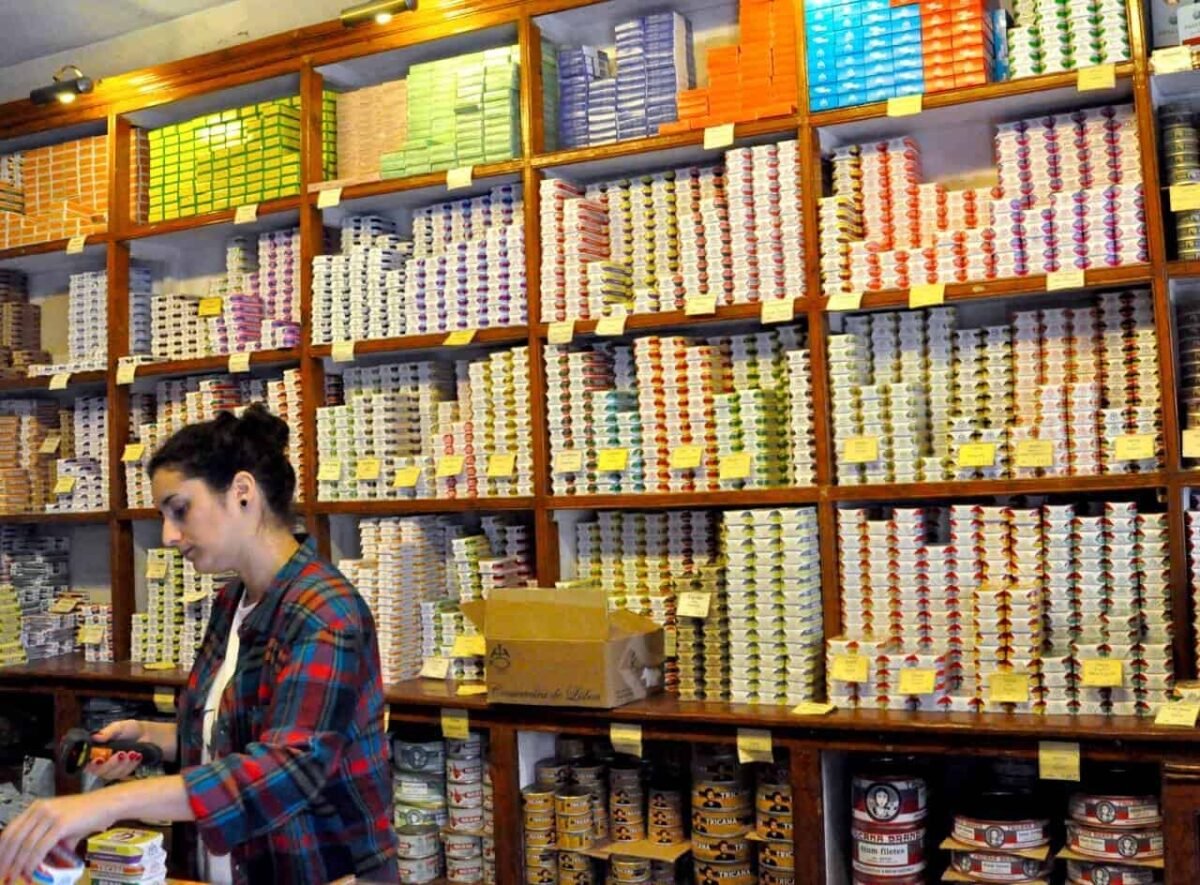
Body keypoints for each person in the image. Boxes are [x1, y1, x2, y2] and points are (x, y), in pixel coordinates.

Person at [0, 405, 399, 884]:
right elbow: (241, 734)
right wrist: (154, 737)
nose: (169, 535)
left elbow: (286, 768)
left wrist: (102, 806)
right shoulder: (233, 601)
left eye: (180, 509)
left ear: (243, 493)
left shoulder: (325, 612)